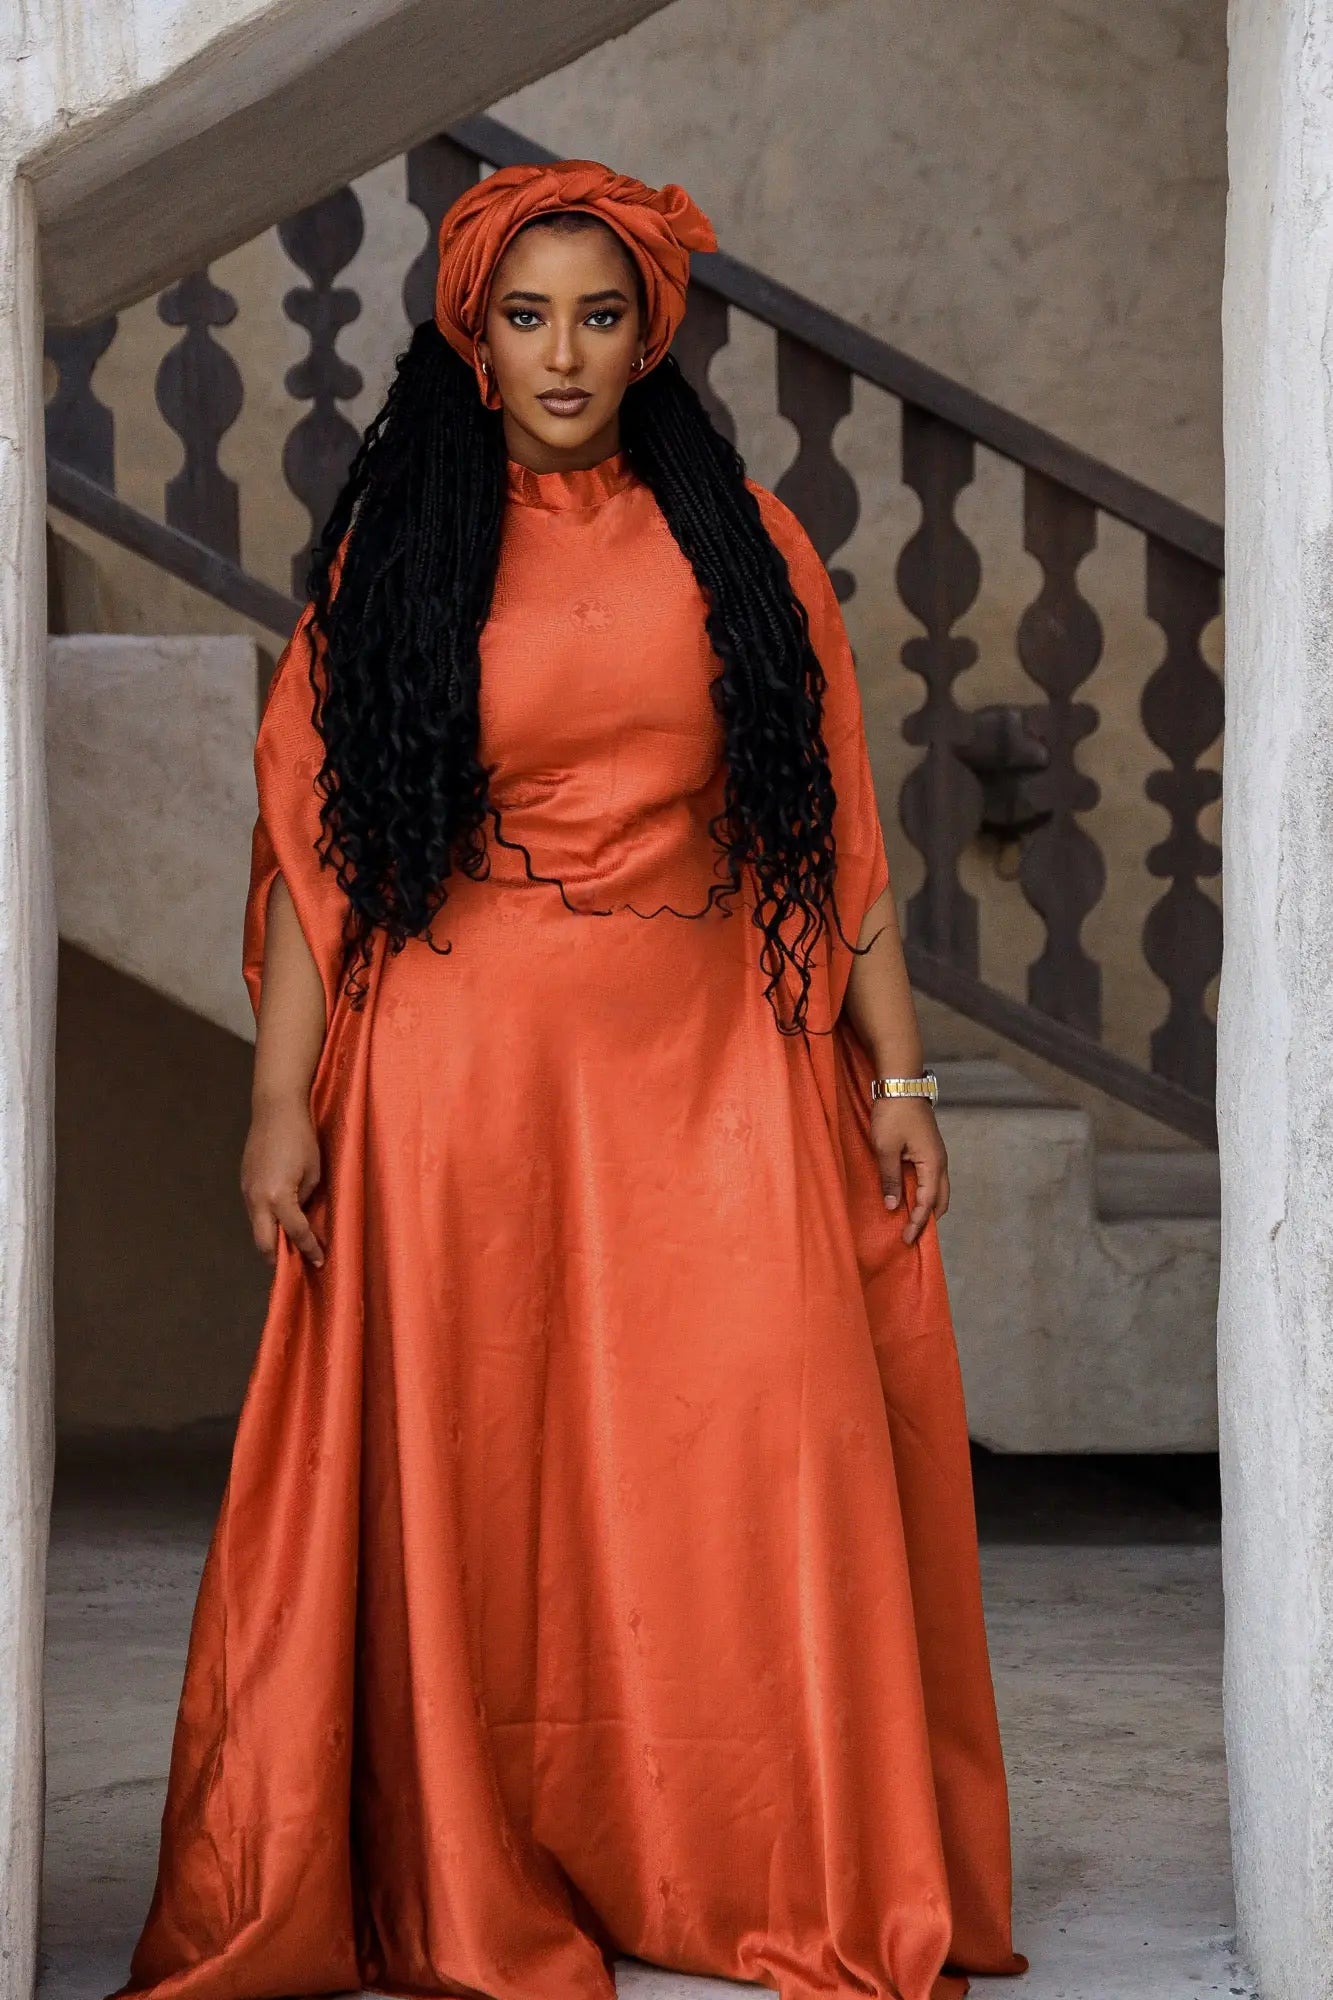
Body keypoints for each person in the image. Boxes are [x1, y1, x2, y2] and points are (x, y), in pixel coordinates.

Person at [108, 159, 1026, 2000]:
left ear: (647, 336)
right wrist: (281, 1103)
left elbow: (832, 827)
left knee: (745, 1448)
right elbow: (317, 857)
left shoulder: (743, 545)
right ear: (471, 333)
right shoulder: (401, 556)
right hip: (463, 1079)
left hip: (713, 1060)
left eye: (598, 317)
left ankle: (726, 1849)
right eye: (525, 317)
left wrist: (904, 1080)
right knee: (490, 1482)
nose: (561, 354)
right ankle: (490, 1853)